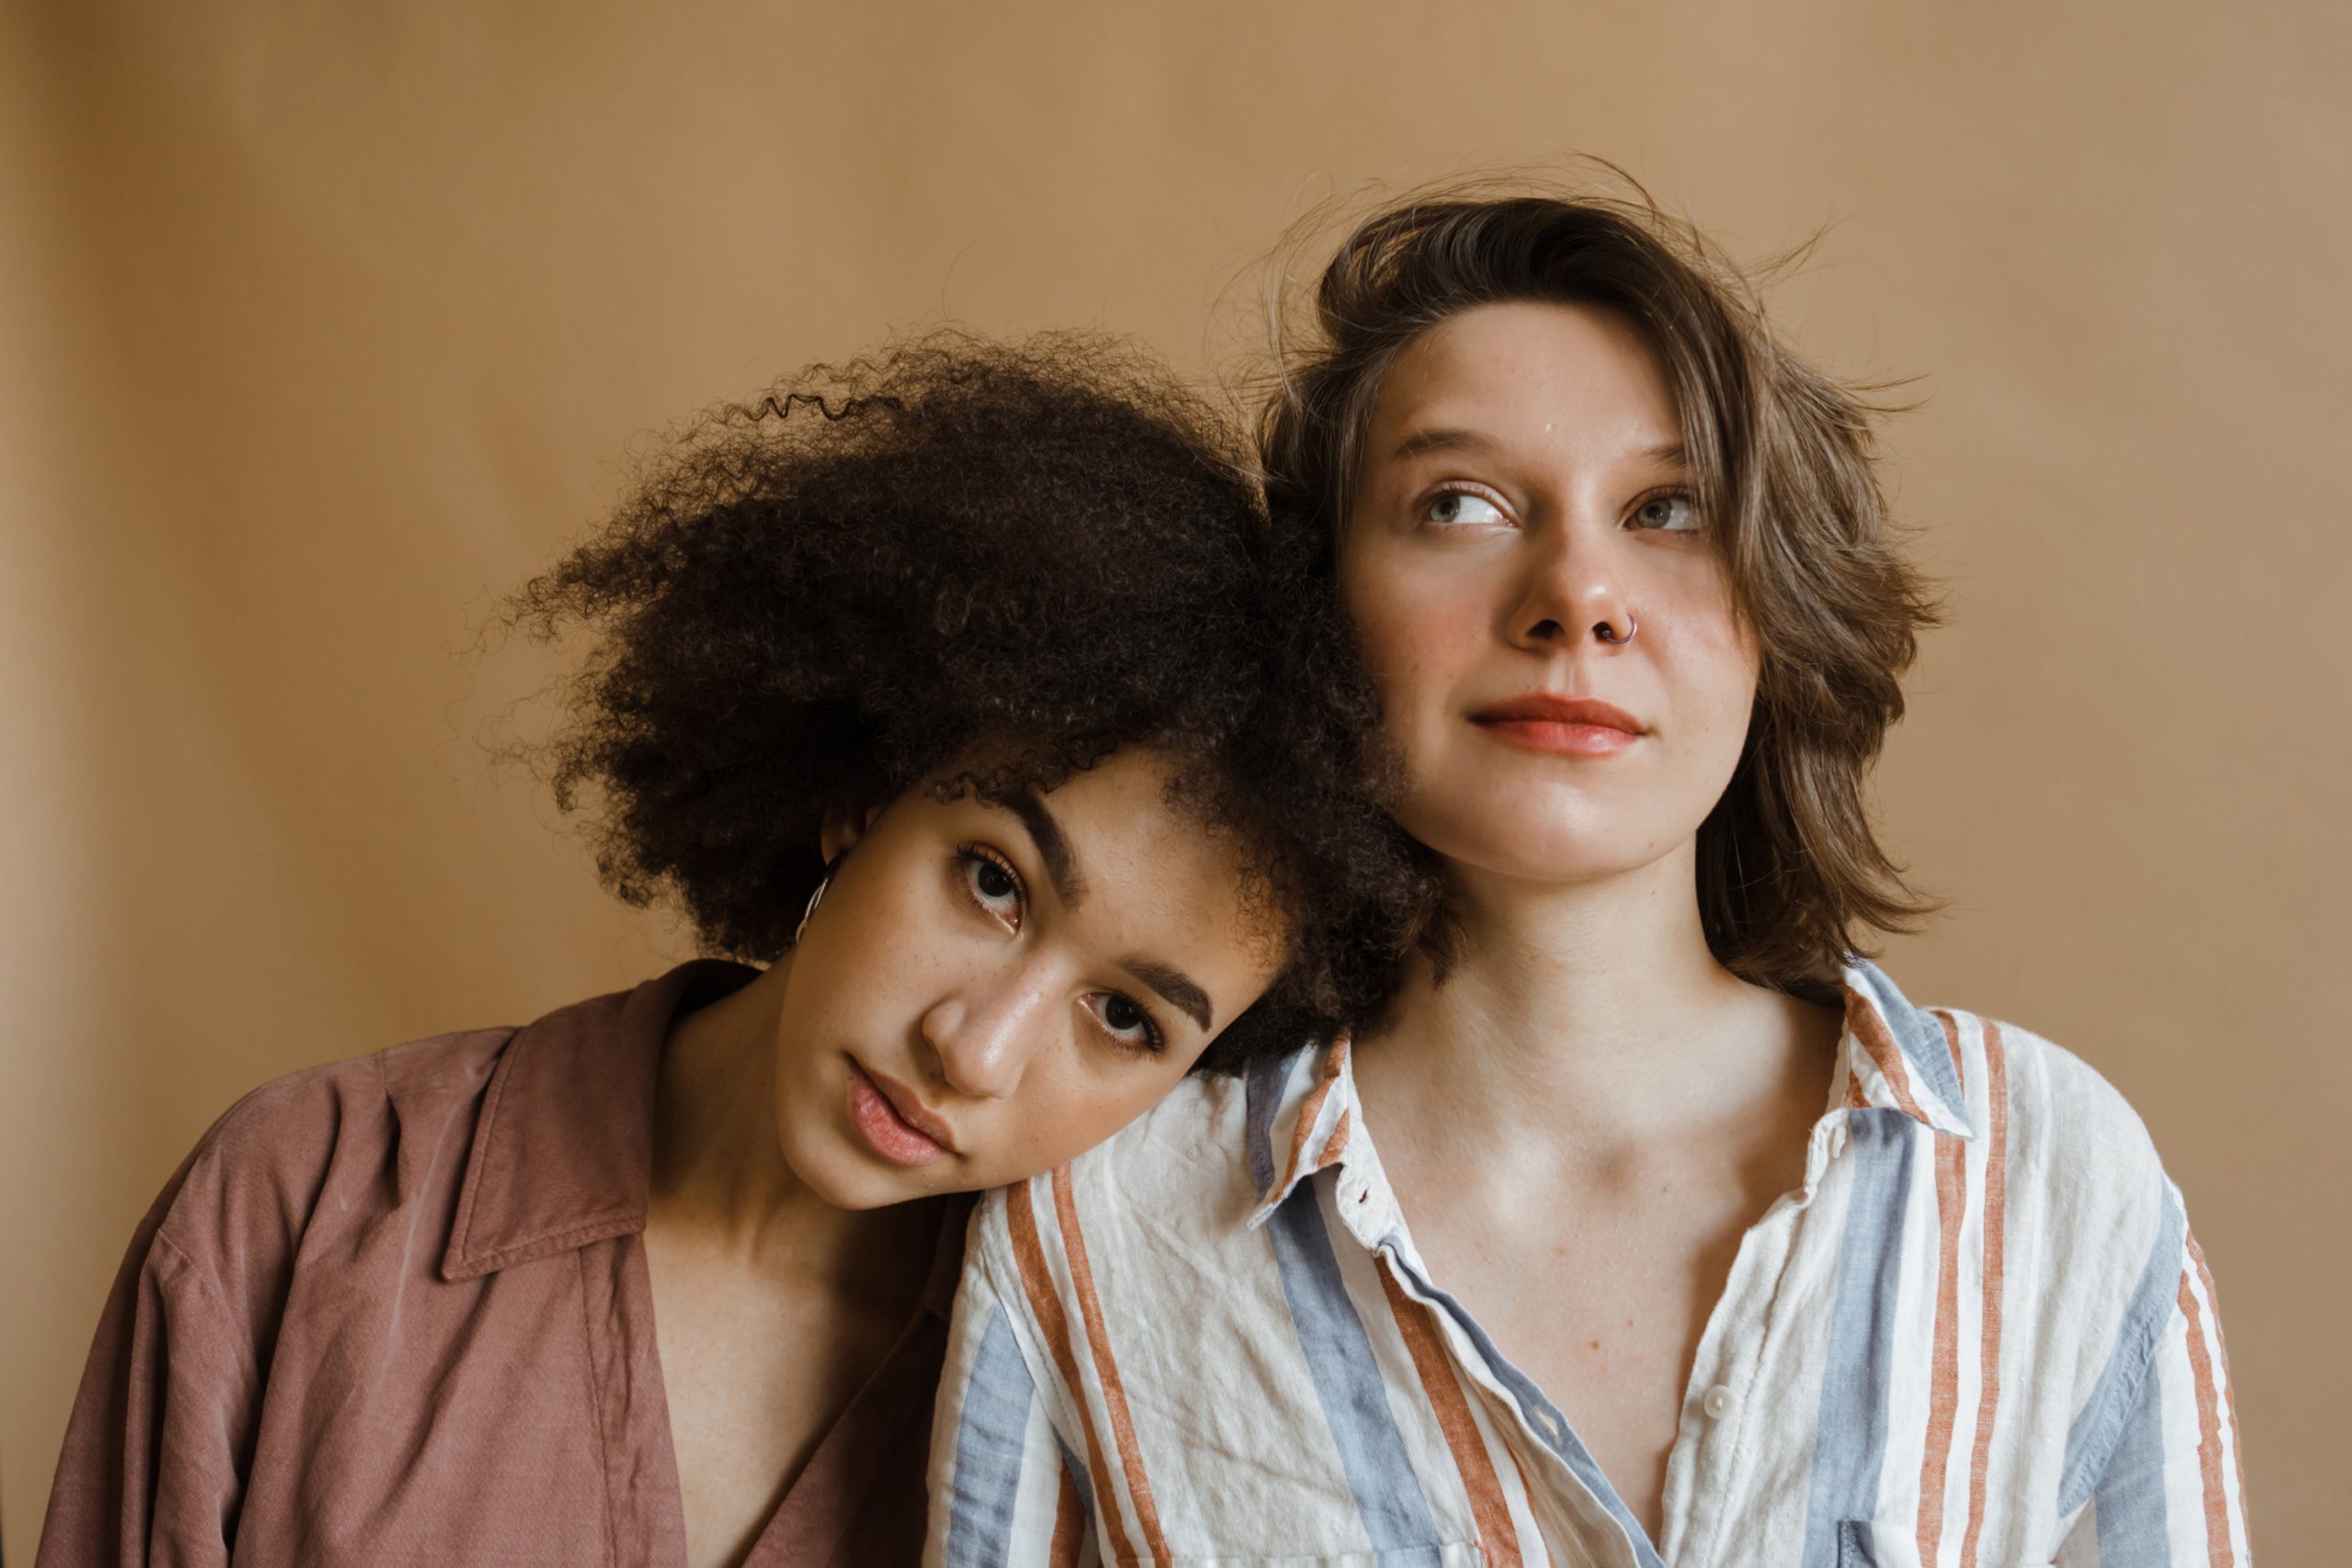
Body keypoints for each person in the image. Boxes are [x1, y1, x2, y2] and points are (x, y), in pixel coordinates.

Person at [930, 193, 2251, 1566]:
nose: (1577, 594)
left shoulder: (2044, 1176)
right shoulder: (1099, 1223)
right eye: (1460, 504)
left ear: (1773, 616)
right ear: (1319, 606)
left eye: (1668, 510)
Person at [35, 333, 1427, 1568]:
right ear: (857, 799)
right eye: (993, 882)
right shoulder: (307, 1206)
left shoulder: (1137, 1411)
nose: (975, 1048)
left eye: (1127, 1020)